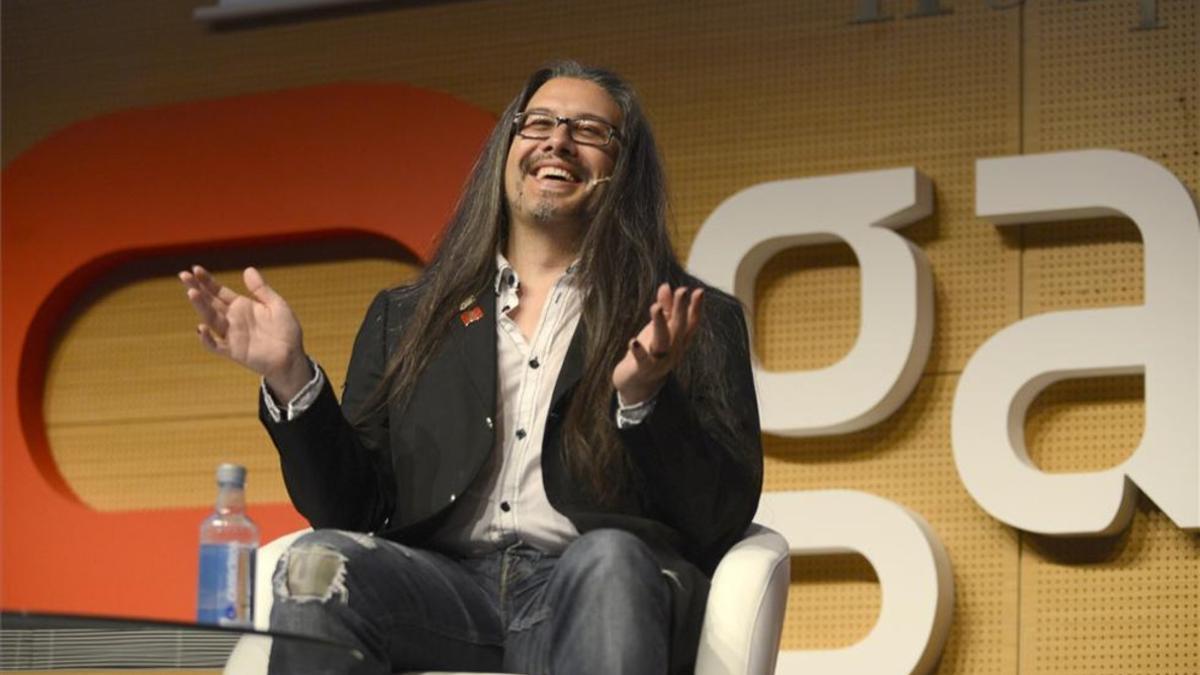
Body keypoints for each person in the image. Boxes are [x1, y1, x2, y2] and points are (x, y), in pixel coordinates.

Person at [180, 60, 762, 675]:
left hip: (588, 587)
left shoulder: (687, 317)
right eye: (538, 123)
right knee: (317, 560)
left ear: (623, 168)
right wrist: (290, 375)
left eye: (589, 130)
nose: (557, 141)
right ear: (507, 149)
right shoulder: (408, 316)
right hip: (442, 592)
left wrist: (646, 403)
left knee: (612, 558)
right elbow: (348, 509)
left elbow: (717, 519)